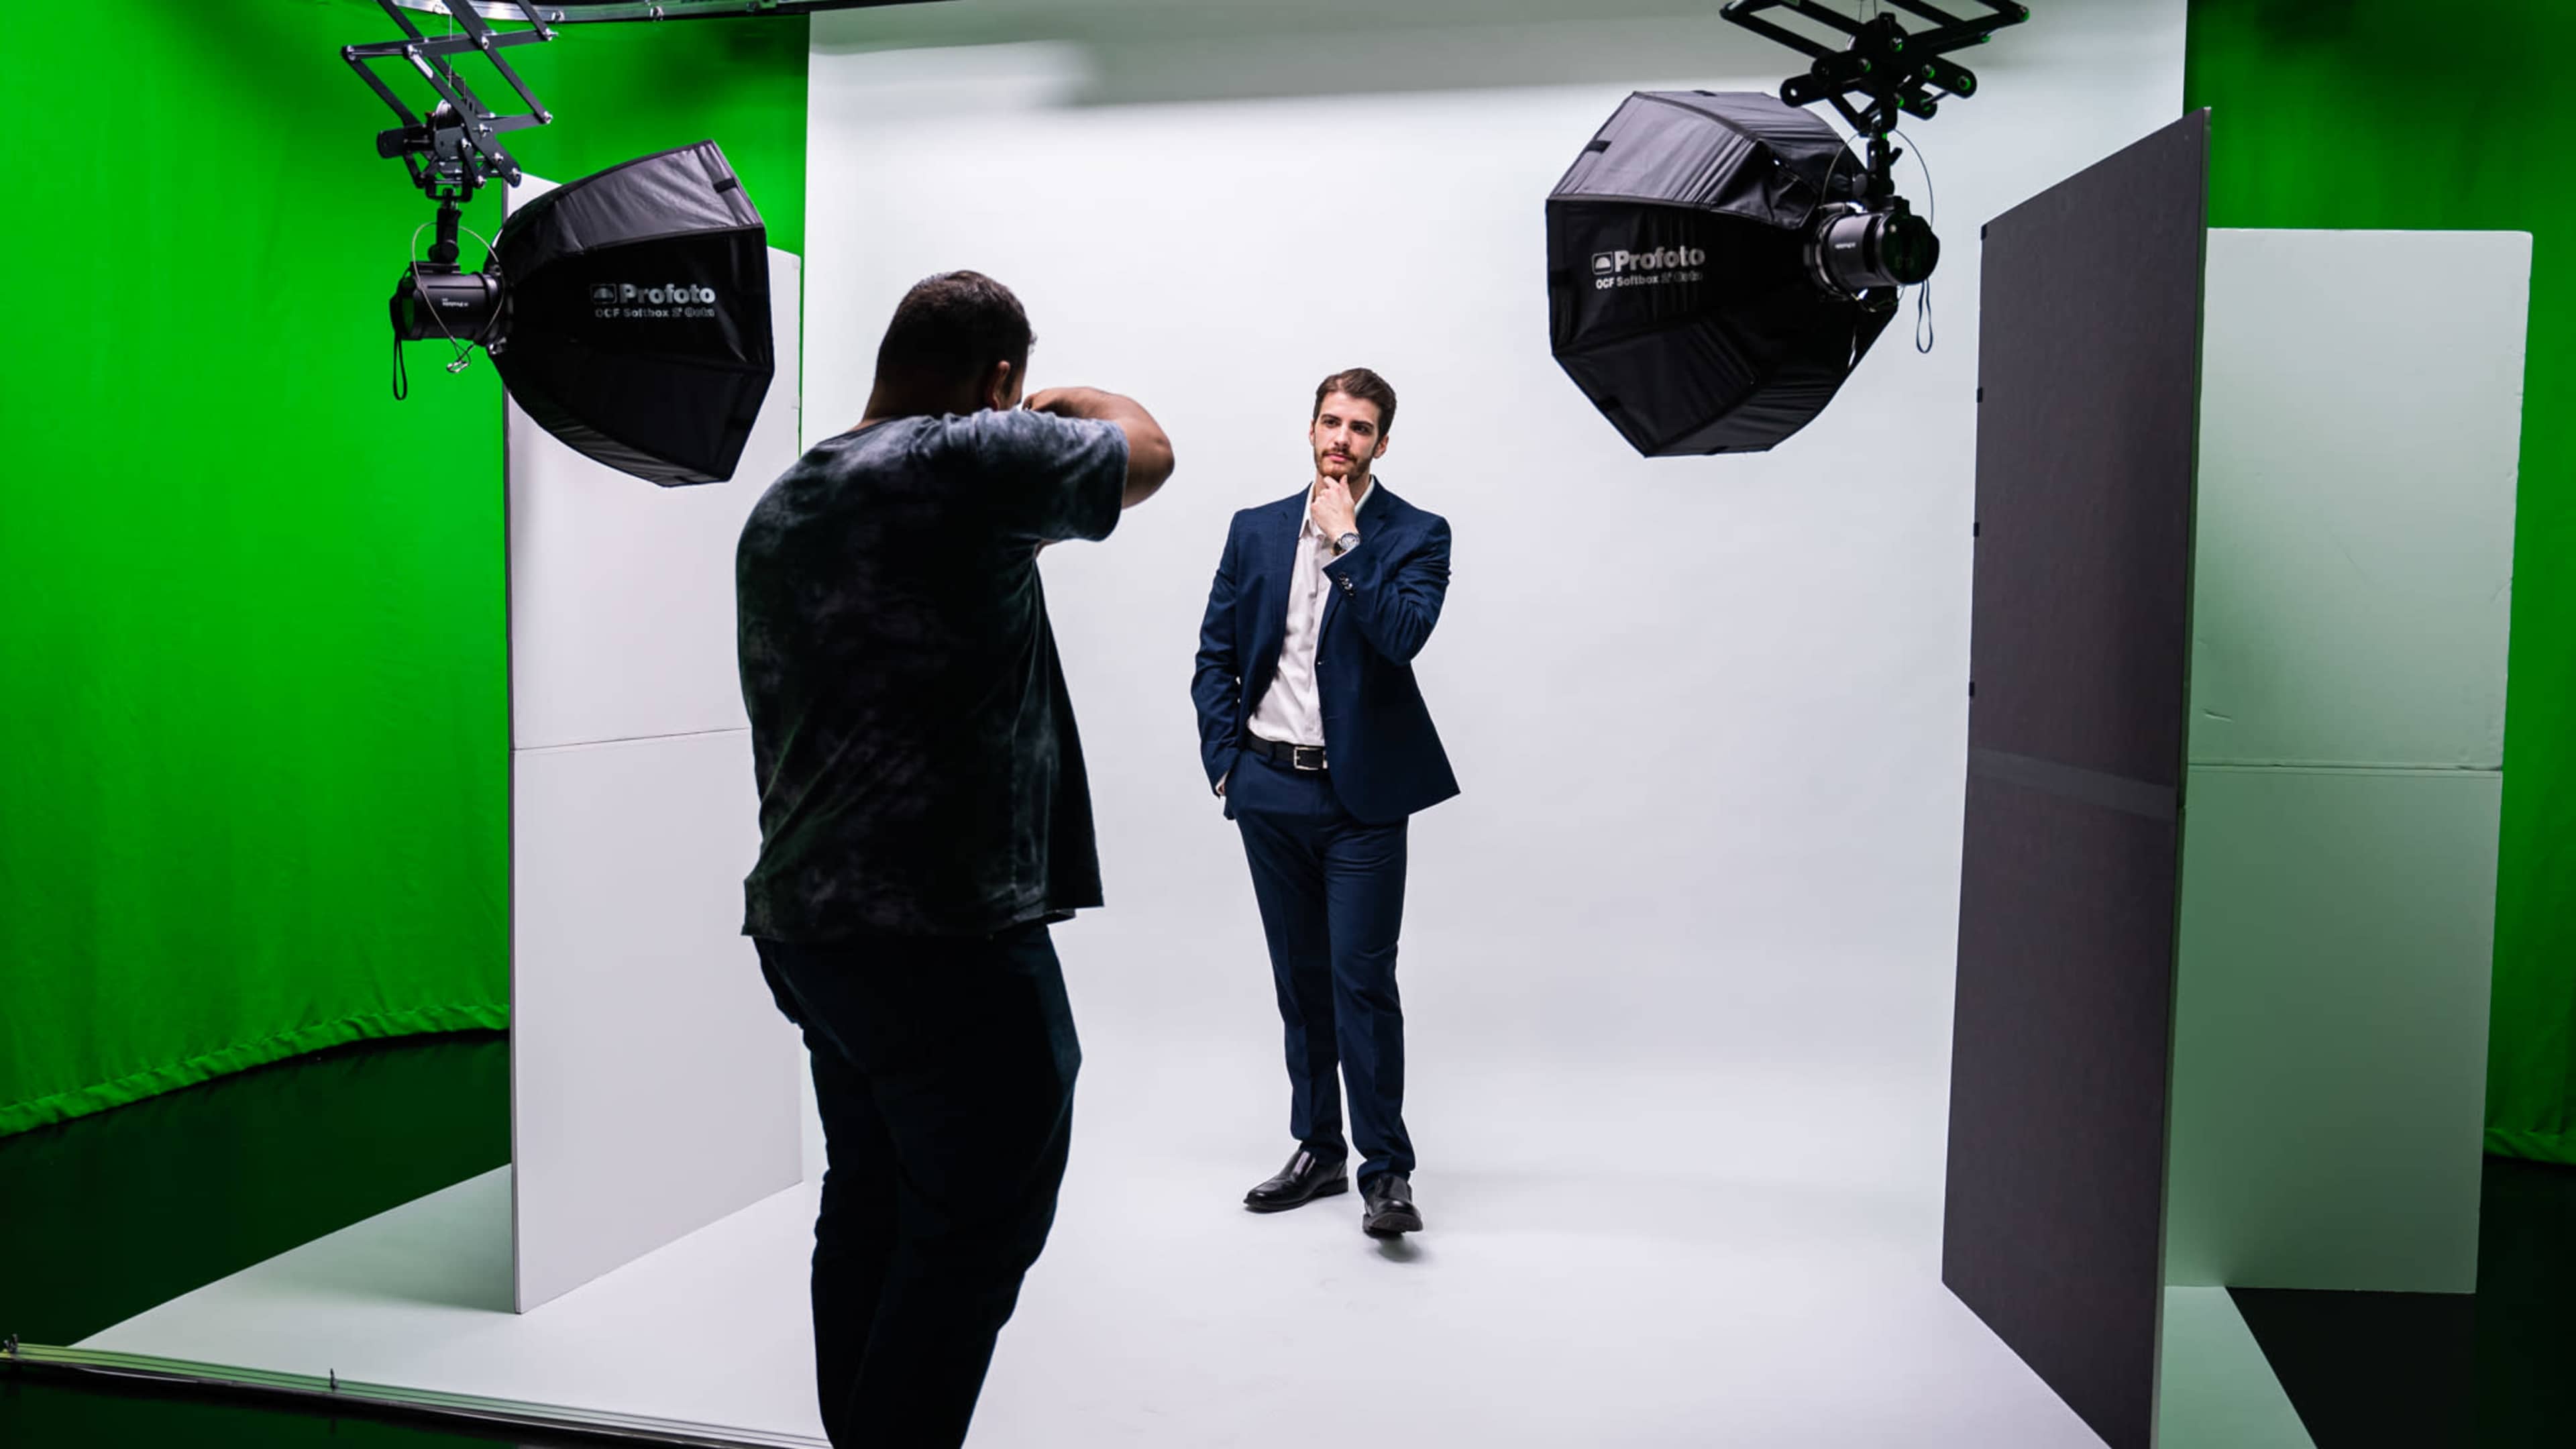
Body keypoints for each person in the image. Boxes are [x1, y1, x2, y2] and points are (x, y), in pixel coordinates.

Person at [735, 270, 1174, 1448]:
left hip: (812, 930)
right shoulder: (957, 461)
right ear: (998, 382)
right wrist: (1070, 401)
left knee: (870, 1204)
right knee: (976, 1230)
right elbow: (1148, 452)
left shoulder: (789, 498)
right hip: (945, 934)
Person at [1189, 367, 1458, 1238]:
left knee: (1361, 981)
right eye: (1332, 422)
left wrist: (1348, 544)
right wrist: (1227, 766)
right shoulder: (1256, 529)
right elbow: (1215, 654)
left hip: (1362, 800)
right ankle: (1319, 1150)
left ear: (1383, 442)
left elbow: (1401, 636)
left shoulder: (1415, 534)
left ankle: (1388, 1172)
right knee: (1301, 982)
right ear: (1311, 428)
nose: (1343, 438)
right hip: (1269, 787)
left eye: (1361, 427)